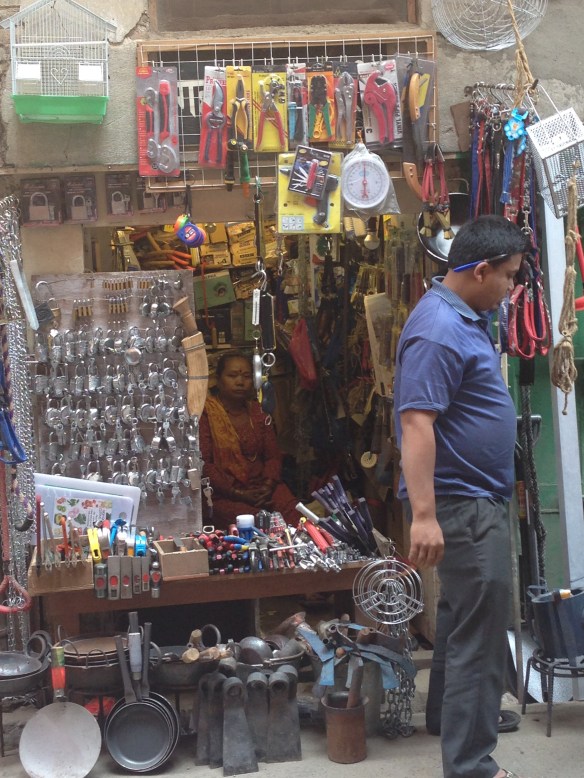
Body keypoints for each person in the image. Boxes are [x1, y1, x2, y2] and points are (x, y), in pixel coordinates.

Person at [393, 215, 529, 778]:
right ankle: (473, 765)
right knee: (481, 634)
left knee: (458, 618)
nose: (512, 288)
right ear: (479, 271)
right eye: (509, 277)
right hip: (461, 504)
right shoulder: (438, 329)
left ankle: (444, 722)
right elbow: (417, 423)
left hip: (473, 498)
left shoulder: (466, 315)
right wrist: (424, 515)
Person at [199, 350, 300, 530]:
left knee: (294, 514)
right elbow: (204, 464)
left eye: (246, 376)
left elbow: (272, 456)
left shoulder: (258, 412)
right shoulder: (206, 415)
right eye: (232, 376)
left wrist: (268, 486)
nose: (240, 382)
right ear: (218, 380)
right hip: (224, 494)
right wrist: (239, 493)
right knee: (253, 523)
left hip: (262, 488)